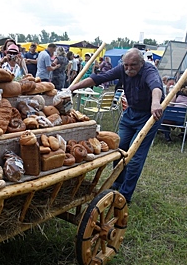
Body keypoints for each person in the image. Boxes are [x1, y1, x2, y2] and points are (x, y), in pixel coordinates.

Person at [69, 48, 164, 204]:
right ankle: (117, 183)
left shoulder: (149, 70)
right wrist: (72, 88)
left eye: (132, 65)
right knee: (119, 149)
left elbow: (156, 87)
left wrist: (155, 103)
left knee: (135, 156)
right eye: (125, 65)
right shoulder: (122, 68)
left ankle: (125, 194)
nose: (128, 69)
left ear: (141, 63)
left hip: (149, 115)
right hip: (130, 113)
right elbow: (98, 79)